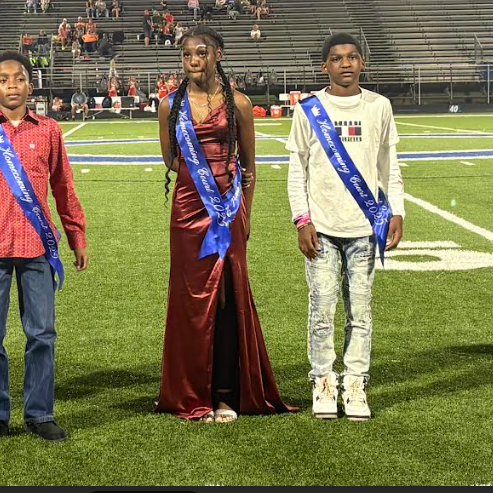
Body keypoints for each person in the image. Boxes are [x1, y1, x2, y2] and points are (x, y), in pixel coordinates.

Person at [0, 51, 88, 445]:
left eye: (19, 78)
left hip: (38, 250)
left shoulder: (49, 130)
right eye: (3, 79)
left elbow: (64, 187)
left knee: (41, 334)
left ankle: (39, 412)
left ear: (30, 84)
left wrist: (76, 235)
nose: (12, 85)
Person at [156, 25, 292, 423]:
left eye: (201, 52)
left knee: (229, 296)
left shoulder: (240, 104)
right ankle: (190, 392)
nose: (193, 60)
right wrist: (202, 183)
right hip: (186, 211)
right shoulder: (169, 106)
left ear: (219, 55)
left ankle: (226, 394)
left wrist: (243, 212)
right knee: (189, 299)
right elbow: (172, 160)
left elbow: (250, 167)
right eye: (186, 55)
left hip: (229, 211)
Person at [286, 33, 405, 421]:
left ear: (363, 63)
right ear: (325, 67)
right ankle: (322, 379)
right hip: (321, 227)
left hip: (364, 228)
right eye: (337, 59)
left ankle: (355, 381)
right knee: (321, 308)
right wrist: (302, 220)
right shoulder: (308, 109)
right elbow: (296, 172)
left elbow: (390, 167)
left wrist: (397, 212)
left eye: (353, 57)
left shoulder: (379, 106)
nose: (346, 64)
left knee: (361, 311)